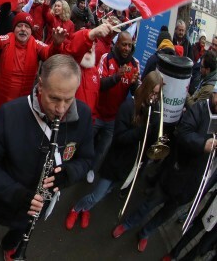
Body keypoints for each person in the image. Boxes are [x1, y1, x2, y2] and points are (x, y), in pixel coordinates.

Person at [0, 55, 94, 260]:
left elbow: (86, 158)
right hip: (0, 200)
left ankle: (9, 246)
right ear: (40, 85)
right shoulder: (10, 114)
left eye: (69, 99)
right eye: (54, 98)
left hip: (37, 206)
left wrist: (69, 174)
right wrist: (17, 194)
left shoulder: (83, 115)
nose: (61, 109)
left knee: (19, 233)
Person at [112, 82, 217, 252]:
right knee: (150, 204)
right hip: (176, 172)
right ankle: (128, 223)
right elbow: (184, 135)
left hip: (192, 184)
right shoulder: (199, 110)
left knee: (166, 214)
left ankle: (146, 232)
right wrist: (203, 144)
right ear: (214, 94)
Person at [65, 71, 163, 230]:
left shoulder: (153, 109)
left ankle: (86, 209)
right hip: (116, 161)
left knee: (107, 192)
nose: (154, 97)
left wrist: (156, 127)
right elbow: (120, 138)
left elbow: (148, 142)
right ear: (145, 88)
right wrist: (143, 129)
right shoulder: (128, 107)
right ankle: (76, 208)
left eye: (157, 94)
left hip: (130, 164)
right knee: (96, 195)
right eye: (152, 92)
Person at [89, 31, 140, 183]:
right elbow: (99, 85)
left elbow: (137, 93)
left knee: (102, 149)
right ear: (117, 44)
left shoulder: (134, 64)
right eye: (124, 44)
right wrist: (117, 77)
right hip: (97, 113)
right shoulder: (107, 58)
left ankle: (92, 170)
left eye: (129, 45)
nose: (126, 48)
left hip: (113, 118)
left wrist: (135, 84)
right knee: (86, 141)